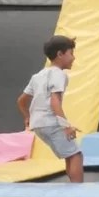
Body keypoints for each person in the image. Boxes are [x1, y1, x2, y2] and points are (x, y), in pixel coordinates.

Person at [17, 35, 83, 183]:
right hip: (51, 122)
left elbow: (21, 101)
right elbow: (55, 101)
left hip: (38, 124)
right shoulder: (59, 74)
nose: (73, 58)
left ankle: (74, 187)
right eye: (71, 53)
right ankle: (79, 191)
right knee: (76, 155)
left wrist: (27, 117)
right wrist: (66, 126)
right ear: (60, 54)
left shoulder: (38, 76)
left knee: (69, 153)